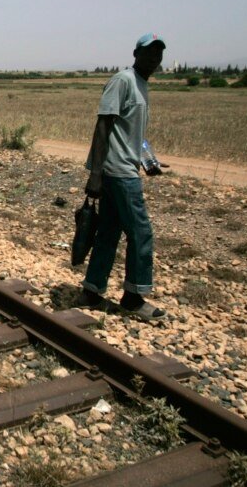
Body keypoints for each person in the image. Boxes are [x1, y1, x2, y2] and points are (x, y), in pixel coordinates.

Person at [76, 33, 167, 321]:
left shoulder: (141, 84)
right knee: (141, 233)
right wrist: (96, 174)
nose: (154, 58)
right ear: (135, 53)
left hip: (127, 167)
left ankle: (91, 291)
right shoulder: (123, 80)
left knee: (109, 231)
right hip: (118, 172)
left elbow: (131, 133)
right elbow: (103, 125)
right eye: (149, 52)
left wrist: (147, 158)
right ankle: (133, 297)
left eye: (158, 53)